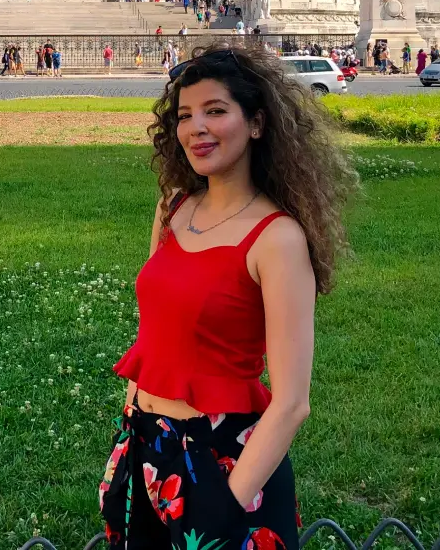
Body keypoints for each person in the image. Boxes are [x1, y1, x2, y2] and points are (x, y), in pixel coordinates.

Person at [101, 43, 355, 550]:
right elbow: (152, 330)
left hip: (226, 460)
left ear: (257, 124)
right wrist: (130, 432)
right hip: (145, 446)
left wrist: (223, 506)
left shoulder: (277, 238)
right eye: (185, 115)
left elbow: (291, 403)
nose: (197, 127)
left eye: (215, 111)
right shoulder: (173, 207)